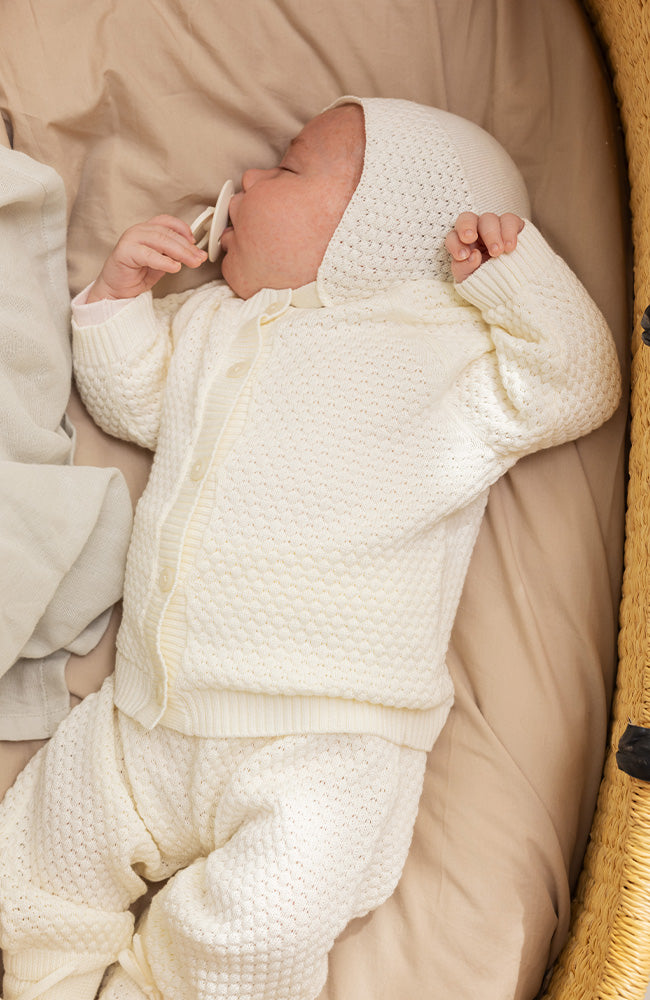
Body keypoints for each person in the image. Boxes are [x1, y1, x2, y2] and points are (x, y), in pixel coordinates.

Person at [0, 96, 621, 1000]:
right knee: (41, 855)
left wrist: (513, 275)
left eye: (286, 168)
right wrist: (116, 302)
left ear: (382, 228)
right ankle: (43, 981)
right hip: (149, 712)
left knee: (263, 926)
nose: (245, 179)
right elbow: (136, 403)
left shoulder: (449, 355)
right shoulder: (213, 323)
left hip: (327, 740)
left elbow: (579, 382)